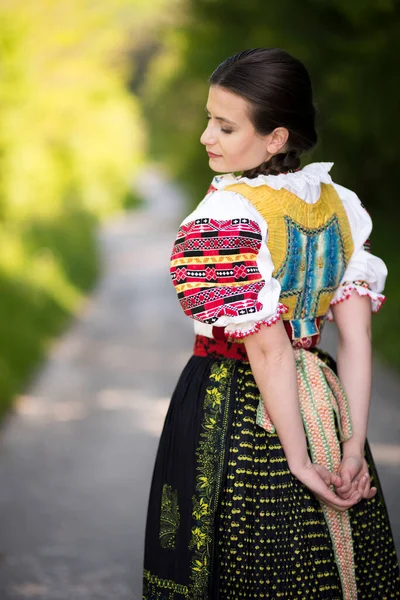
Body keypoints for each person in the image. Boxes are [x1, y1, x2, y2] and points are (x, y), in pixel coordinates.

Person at [142, 48, 400, 599]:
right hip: (325, 402)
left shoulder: (225, 215)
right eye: (210, 119)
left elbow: (269, 352)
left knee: (244, 563)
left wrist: (301, 463)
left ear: (276, 137)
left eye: (225, 125)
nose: (207, 137)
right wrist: (351, 447)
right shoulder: (342, 205)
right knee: (329, 565)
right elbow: (356, 339)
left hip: (235, 405)